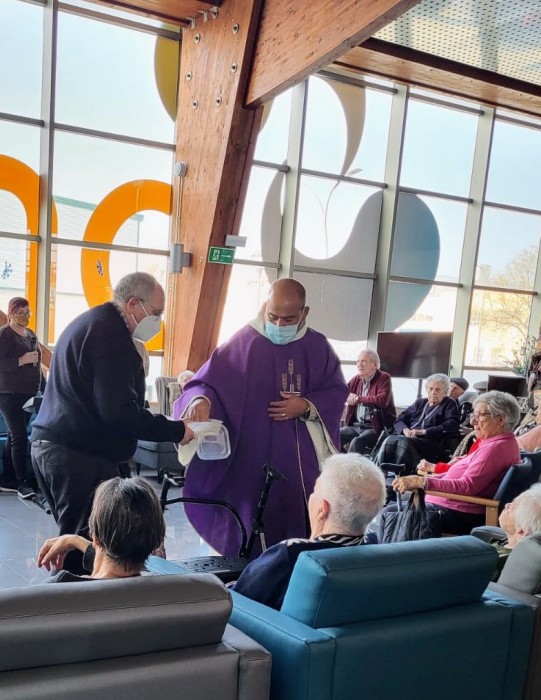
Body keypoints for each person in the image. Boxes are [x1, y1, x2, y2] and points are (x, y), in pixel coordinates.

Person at [31, 272, 194, 574]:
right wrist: (176, 430)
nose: (157, 321)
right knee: (89, 545)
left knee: (79, 539)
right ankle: (72, 600)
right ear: (133, 304)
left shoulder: (91, 322)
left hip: (55, 446)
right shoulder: (111, 337)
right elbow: (119, 412)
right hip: (78, 455)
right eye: (156, 313)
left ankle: (72, 595)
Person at [173, 278, 348, 558]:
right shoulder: (245, 341)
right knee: (247, 525)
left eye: (288, 319)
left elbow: (337, 391)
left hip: (299, 464)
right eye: (273, 316)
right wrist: (200, 400)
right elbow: (205, 381)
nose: (278, 325)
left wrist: (306, 405)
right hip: (248, 459)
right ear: (265, 306)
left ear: (304, 313)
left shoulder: (318, 347)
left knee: (296, 532)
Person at [231, 453, 386, 610]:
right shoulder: (379, 553)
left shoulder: (291, 555)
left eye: (315, 491)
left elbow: (234, 601)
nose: (311, 496)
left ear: (322, 509)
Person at [391, 390, 521, 534]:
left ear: (501, 420)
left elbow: (467, 486)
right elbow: (458, 477)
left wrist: (422, 482)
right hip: (451, 505)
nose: (473, 421)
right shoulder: (498, 443)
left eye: (480, 415)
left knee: (391, 513)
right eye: (473, 415)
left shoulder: (495, 448)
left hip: (457, 513)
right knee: (394, 507)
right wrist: (425, 479)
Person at [37, 476, 165, 582]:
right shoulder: (165, 585)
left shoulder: (56, 590)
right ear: (156, 541)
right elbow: (118, 561)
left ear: (95, 538)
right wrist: (74, 540)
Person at [0, 297, 43, 499]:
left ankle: (8, 480)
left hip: (29, 392)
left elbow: (38, 363)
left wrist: (42, 386)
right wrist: (20, 360)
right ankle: (21, 482)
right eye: (20, 312)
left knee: (13, 435)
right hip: (8, 393)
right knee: (19, 435)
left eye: (28, 312)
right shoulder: (4, 335)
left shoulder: (31, 334)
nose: (25, 316)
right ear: (11, 313)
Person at [375, 373, 460, 474]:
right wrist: (405, 430)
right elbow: (400, 419)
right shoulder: (420, 402)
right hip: (408, 437)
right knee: (389, 438)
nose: (433, 392)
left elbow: (451, 424)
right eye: (431, 389)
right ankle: (379, 473)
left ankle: (403, 473)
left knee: (404, 442)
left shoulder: (449, 403)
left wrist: (424, 432)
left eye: (437, 389)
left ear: (445, 392)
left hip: (429, 441)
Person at [340, 349, 396, 454]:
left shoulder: (384, 377)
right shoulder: (356, 379)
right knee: (334, 436)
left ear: (374, 365)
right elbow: (341, 392)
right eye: (358, 361)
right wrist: (348, 396)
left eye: (363, 361)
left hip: (375, 427)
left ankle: (351, 464)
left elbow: (382, 400)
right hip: (356, 425)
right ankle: (341, 461)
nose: (359, 364)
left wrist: (358, 398)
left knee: (356, 442)